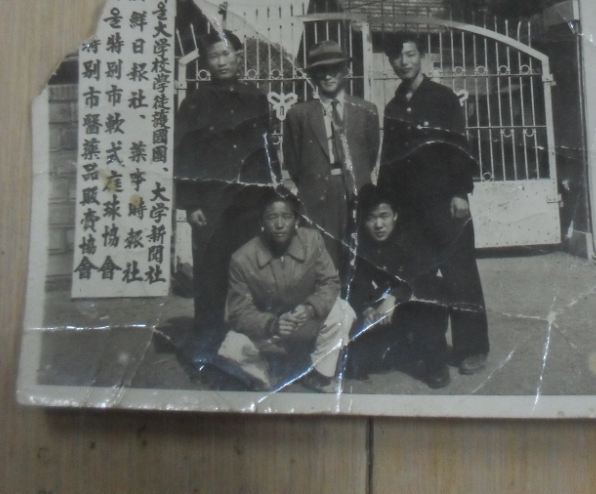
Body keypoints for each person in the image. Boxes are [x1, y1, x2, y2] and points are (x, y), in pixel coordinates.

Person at [377, 31, 490, 375]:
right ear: (391, 62)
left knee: (460, 277)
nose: (405, 62)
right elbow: (390, 161)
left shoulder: (443, 98)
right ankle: (428, 348)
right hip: (411, 210)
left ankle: (473, 349)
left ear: (421, 57)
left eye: (411, 54)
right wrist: (386, 203)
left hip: (445, 205)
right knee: (419, 278)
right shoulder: (393, 107)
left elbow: (459, 148)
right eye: (398, 57)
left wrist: (460, 192)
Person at [173, 30, 279, 359]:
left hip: (249, 205)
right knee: (210, 279)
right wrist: (191, 204)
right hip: (211, 207)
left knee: (251, 276)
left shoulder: (256, 99)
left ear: (238, 56)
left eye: (227, 53)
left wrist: (272, 198)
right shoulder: (194, 103)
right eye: (214, 55)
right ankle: (205, 349)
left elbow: (267, 153)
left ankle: (250, 347)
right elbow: (184, 156)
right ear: (206, 62)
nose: (221, 61)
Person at [224, 187, 355, 392]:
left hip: (305, 324)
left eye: (286, 216)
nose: (279, 224)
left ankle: (319, 375)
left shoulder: (312, 241)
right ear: (261, 222)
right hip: (270, 332)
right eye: (272, 217)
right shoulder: (242, 259)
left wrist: (310, 308)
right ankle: (265, 374)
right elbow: (238, 312)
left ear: (296, 220)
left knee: (343, 311)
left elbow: (330, 282)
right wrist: (272, 324)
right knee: (231, 346)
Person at [282, 40, 380, 272]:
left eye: (334, 69)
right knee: (321, 262)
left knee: (357, 261)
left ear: (345, 70)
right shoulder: (299, 114)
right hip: (317, 197)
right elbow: (293, 162)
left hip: (355, 193)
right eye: (320, 70)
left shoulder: (367, 111)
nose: (327, 76)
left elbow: (370, 153)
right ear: (313, 75)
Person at [346, 185, 450, 388]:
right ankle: (404, 348)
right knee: (358, 363)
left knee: (431, 297)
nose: (378, 225)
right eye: (371, 218)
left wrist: (393, 297)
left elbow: (424, 276)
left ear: (395, 215)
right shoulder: (361, 245)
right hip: (385, 311)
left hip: (413, 303)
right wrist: (367, 308)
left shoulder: (412, 237)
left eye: (384, 216)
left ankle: (437, 364)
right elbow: (357, 283)